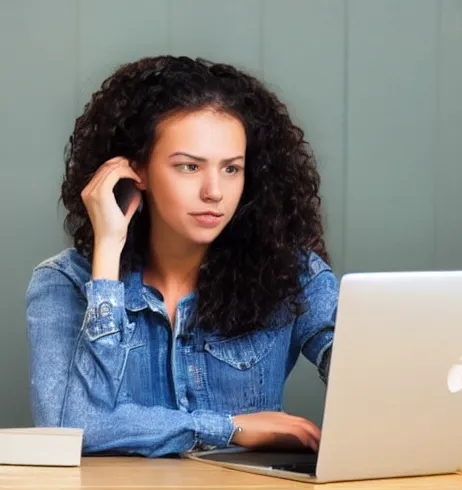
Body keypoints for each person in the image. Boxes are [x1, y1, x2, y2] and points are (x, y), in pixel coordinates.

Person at [25, 55, 339, 457]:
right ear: (136, 171)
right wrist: (230, 428)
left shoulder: (291, 274)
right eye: (189, 167)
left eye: (231, 169)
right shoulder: (62, 283)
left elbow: (360, 369)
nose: (214, 191)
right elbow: (68, 426)